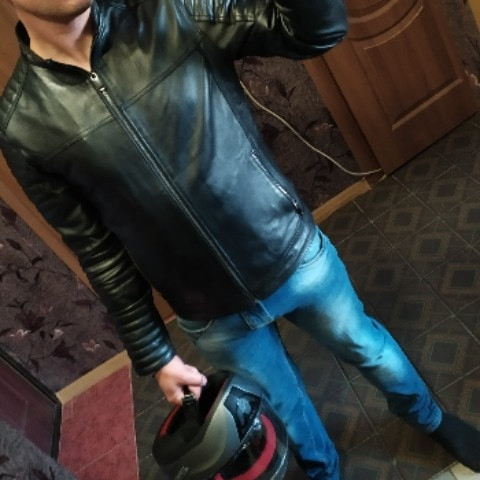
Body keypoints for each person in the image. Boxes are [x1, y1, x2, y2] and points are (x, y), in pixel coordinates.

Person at [1, 0, 479, 478]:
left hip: (292, 254)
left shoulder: (170, 11)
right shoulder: (23, 125)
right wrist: (156, 354)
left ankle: (430, 419)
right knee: (286, 409)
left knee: (368, 347)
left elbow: (311, 32)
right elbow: (99, 252)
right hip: (211, 313)